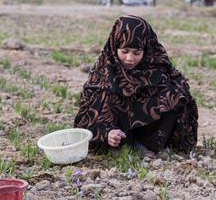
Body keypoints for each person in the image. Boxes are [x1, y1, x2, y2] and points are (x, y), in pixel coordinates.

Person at [74, 16, 198, 156]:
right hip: (120, 135)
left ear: (146, 49)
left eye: (137, 53)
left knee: (176, 93)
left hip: (150, 135)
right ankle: (124, 147)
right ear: (115, 47)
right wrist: (107, 132)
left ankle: (148, 146)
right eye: (124, 51)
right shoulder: (104, 72)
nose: (130, 58)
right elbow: (89, 114)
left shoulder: (157, 66)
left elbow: (179, 91)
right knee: (105, 94)